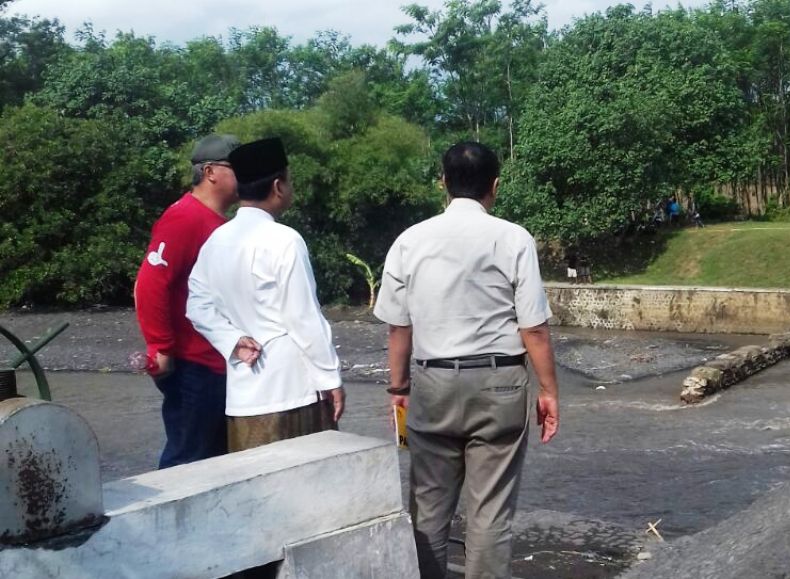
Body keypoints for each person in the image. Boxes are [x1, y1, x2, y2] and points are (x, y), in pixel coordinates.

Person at [374, 142, 560, 579]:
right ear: (495, 186)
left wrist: (398, 390)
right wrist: (549, 391)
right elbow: (533, 328)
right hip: (499, 385)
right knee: (490, 512)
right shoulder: (514, 238)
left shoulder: (409, 240)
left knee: (430, 509)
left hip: (432, 383)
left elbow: (399, 329)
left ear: (443, 182)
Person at [186, 137, 344, 453]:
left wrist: (231, 339)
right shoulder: (284, 240)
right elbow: (303, 318)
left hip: (244, 396)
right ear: (278, 186)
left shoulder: (217, 239)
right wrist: (331, 379)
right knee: (306, 485)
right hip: (292, 391)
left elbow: (196, 304)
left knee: (255, 492)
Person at [134, 133, 240, 469]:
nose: (246, 177)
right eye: (237, 168)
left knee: (213, 461)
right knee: (187, 463)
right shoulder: (185, 218)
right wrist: (161, 348)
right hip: (192, 365)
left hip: (216, 362)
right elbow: (149, 282)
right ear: (210, 172)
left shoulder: (215, 222)